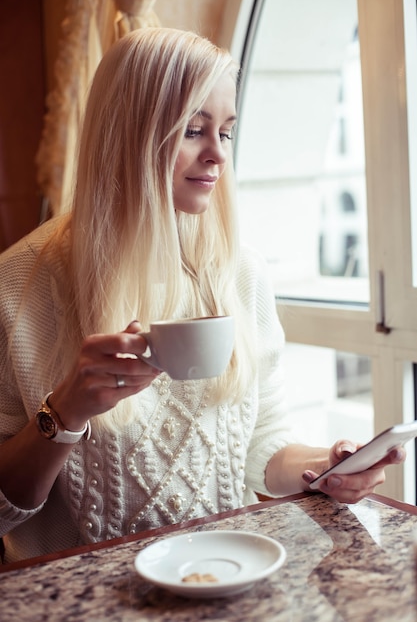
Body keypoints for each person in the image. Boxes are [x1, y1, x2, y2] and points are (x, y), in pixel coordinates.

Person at [0, 27, 405, 564]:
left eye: (228, 133)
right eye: (194, 129)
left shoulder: (242, 272)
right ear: (127, 133)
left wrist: (326, 466)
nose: (218, 155)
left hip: (223, 575)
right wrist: (66, 411)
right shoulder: (18, 286)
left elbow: (262, 443)